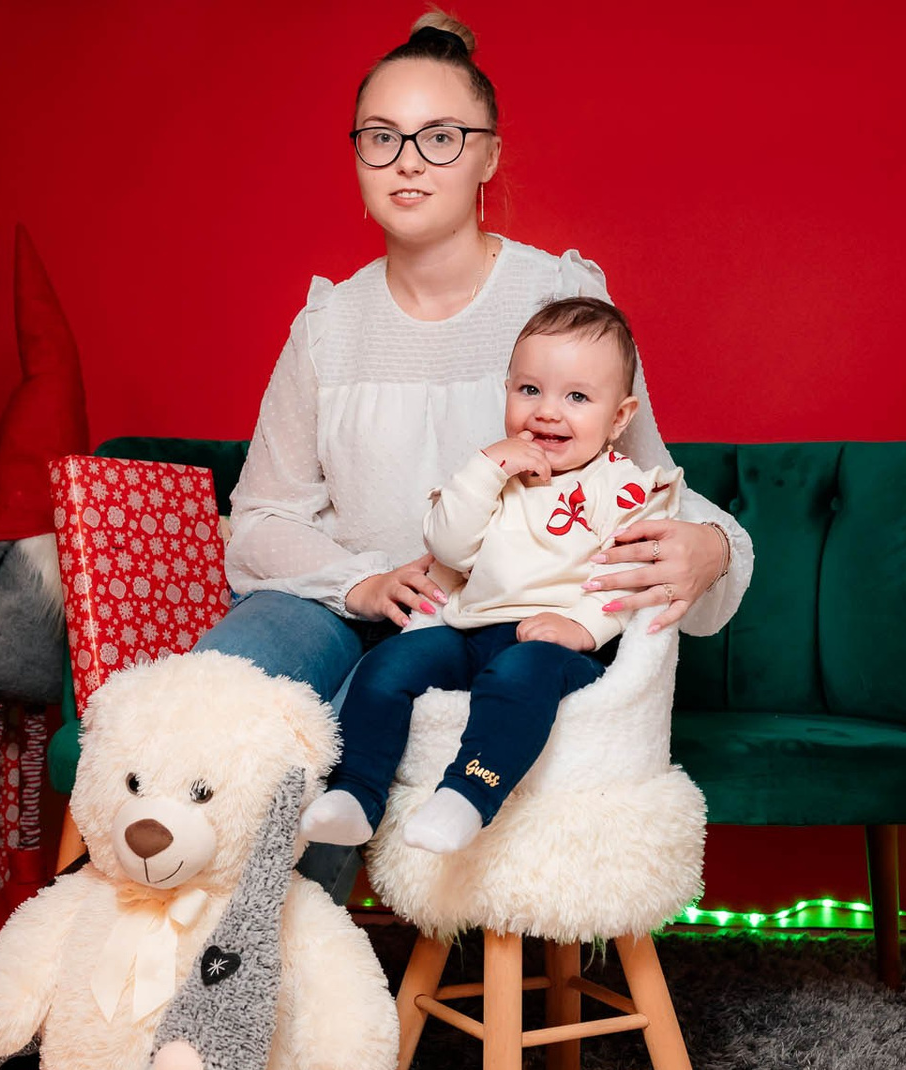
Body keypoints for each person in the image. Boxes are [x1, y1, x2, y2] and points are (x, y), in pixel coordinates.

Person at [196, 11, 755, 895]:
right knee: (217, 701)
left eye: (441, 137)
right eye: (381, 137)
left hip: (485, 617)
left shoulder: (559, 296)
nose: (407, 161)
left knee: (324, 758)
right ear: (357, 156)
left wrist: (714, 548)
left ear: (489, 156)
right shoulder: (327, 326)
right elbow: (262, 517)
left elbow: (645, 482)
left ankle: (276, 956)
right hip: (339, 599)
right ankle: (152, 949)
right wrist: (363, 583)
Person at [301, 297, 678, 855]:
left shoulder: (621, 488)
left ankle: (468, 794)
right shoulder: (493, 476)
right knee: (388, 663)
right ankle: (356, 793)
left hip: (554, 649)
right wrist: (487, 469)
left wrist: (580, 628)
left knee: (519, 674)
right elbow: (449, 547)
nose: (547, 411)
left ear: (619, 418)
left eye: (576, 397)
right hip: (471, 629)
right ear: (506, 391)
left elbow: (631, 573)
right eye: (529, 390)